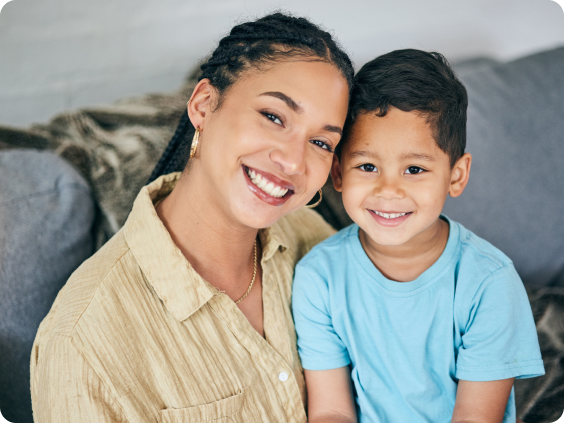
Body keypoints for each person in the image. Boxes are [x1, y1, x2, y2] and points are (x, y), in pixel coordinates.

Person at [30, 12, 353, 422]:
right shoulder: (82, 341)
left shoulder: (311, 238)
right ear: (203, 105)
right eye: (274, 117)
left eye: (321, 142)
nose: (293, 161)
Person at [292, 49, 545, 423]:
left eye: (414, 168)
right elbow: (331, 410)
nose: (389, 190)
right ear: (338, 173)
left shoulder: (489, 282)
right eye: (367, 166)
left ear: (456, 176)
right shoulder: (319, 276)